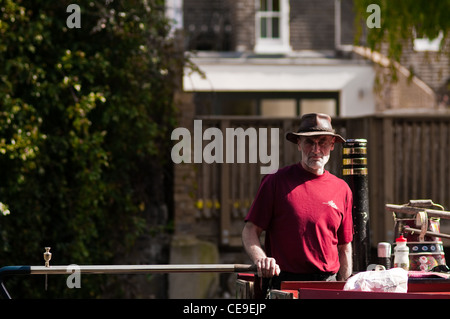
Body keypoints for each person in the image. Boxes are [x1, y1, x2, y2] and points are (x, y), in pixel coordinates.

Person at [242, 113, 353, 292]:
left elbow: (344, 246)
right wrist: (261, 259)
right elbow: (249, 231)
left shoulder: (342, 189)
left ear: (332, 145)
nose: (316, 149)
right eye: (309, 142)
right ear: (299, 144)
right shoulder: (275, 182)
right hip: (284, 285)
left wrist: (346, 289)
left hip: (327, 285)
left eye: (322, 142)